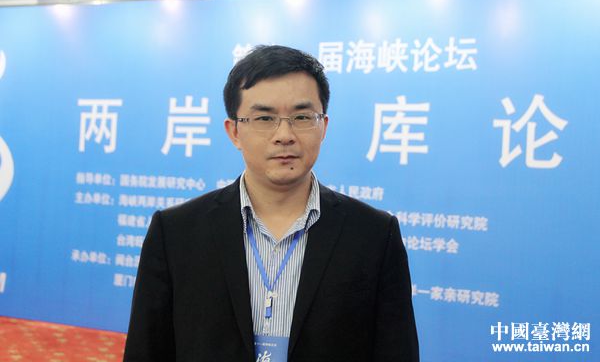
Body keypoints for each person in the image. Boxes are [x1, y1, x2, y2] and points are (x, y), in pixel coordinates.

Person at [123, 45, 419, 361]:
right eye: (264, 118)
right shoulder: (176, 232)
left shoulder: (374, 234)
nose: (284, 135)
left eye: (302, 117)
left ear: (323, 126)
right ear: (234, 131)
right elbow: (147, 350)